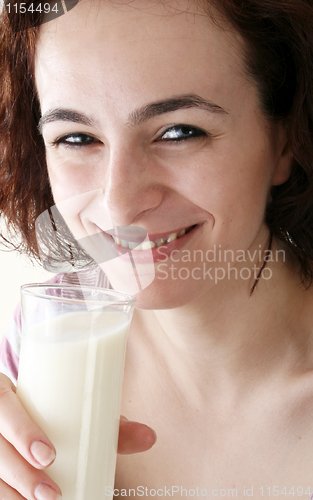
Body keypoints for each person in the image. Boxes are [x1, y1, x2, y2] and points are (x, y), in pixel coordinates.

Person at [1, 0, 313, 498]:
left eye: (179, 132)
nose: (118, 204)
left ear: (284, 140)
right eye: (77, 137)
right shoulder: (40, 344)